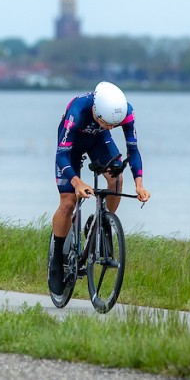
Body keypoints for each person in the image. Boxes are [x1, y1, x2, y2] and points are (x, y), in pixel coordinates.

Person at [49, 81, 150, 295]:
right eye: (107, 123)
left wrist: (139, 184)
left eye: (115, 125)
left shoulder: (125, 112)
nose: (112, 128)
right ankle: (57, 258)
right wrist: (77, 183)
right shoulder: (78, 110)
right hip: (72, 147)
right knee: (68, 203)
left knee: (117, 179)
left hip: (98, 141)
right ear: (95, 111)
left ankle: (102, 223)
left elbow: (133, 149)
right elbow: (61, 155)